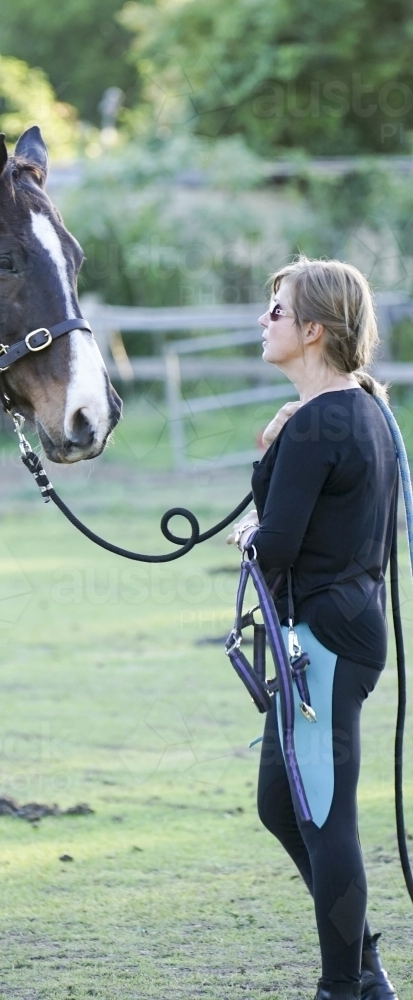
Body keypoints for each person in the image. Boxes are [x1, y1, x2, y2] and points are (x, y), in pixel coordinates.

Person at [227, 256, 400, 1000]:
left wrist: (250, 530)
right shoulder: (362, 410)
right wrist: (275, 454)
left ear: (312, 331)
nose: (263, 322)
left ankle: (346, 985)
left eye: (275, 310)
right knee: (281, 802)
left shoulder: (320, 421)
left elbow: (276, 548)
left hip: (325, 636)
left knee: (324, 815)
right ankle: (362, 968)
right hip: (342, 629)